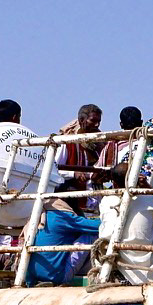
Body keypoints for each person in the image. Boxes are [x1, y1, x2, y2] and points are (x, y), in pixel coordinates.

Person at [27, 104, 108, 285]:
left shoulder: (94, 146)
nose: (96, 125)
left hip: (85, 201)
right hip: (71, 200)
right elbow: (52, 169)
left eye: (98, 122)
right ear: (81, 121)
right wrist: (73, 174)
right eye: (93, 121)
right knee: (91, 233)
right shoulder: (68, 144)